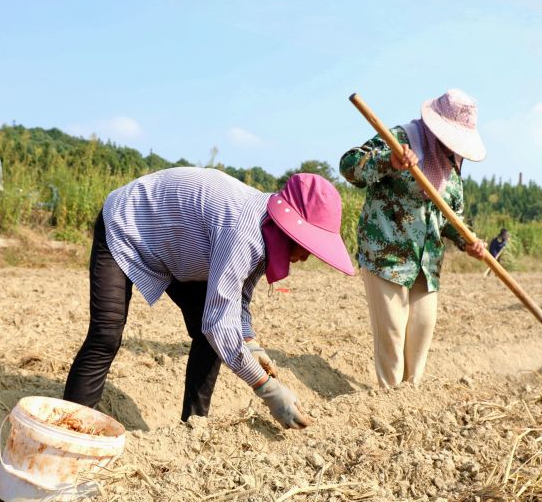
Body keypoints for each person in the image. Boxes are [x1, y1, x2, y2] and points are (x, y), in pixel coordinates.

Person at [63, 167, 354, 429]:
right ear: (289, 230)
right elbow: (219, 324)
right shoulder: (243, 232)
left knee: (208, 340)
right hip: (127, 223)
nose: (306, 256)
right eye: (308, 245)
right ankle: (69, 429)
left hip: (176, 248)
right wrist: (268, 390)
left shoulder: (266, 229)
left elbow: (238, 300)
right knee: (106, 335)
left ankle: (193, 429)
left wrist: (250, 342)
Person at [340, 88, 486, 388]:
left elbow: (449, 217)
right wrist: (389, 162)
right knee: (392, 331)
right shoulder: (401, 139)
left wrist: (468, 241)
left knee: (421, 330)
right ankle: (389, 398)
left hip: (426, 262)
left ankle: (411, 398)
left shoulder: (452, 164)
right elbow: (349, 167)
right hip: (386, 253)